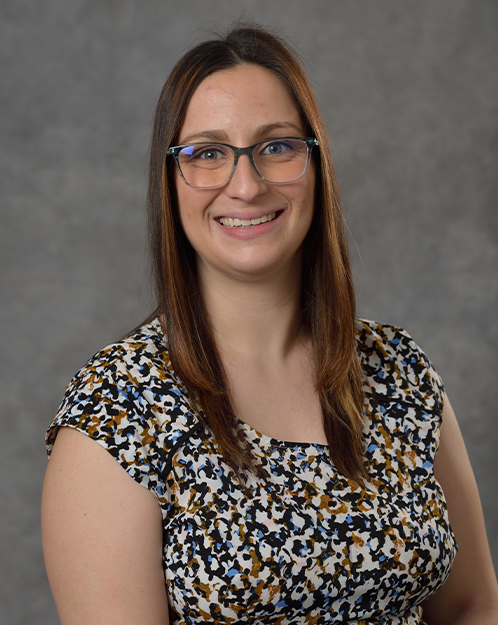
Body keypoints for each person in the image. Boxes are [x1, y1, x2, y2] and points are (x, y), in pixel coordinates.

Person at [41, 24, 498, 625]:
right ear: (169, 180)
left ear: (316, 162)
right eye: (207, 153)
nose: (247, 184)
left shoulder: (400, 370)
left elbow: (472, 605)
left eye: (276, 146)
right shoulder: (121, 406)